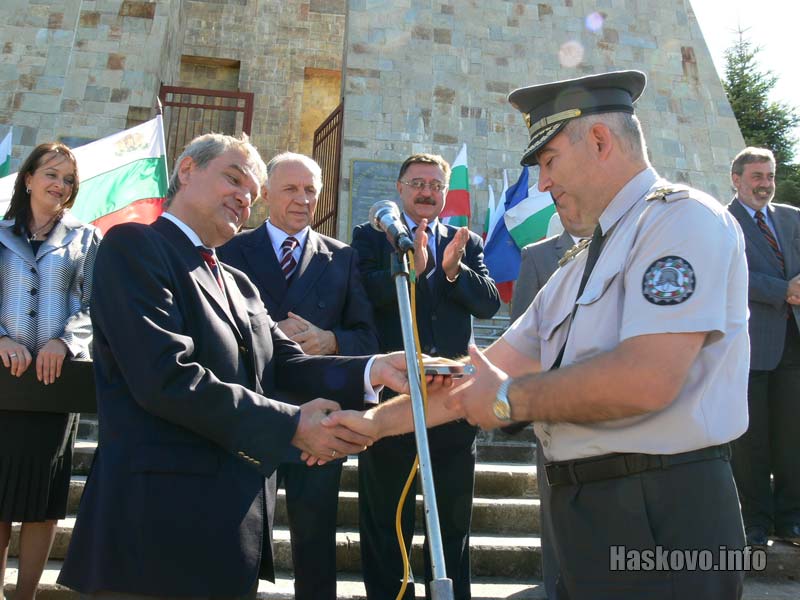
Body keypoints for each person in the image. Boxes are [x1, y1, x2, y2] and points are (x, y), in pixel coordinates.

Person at [329, 70, 750, 600]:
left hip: (664, 507)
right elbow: (482, 374)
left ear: (600, 141)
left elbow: (647, 378)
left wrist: (507, 400)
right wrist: (371, 425)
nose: (544, 184)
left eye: (549, 161)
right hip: (584, 510)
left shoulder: (680, 221)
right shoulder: (580, 262)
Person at [56, 133, 407, 599]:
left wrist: (374, 369)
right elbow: (166, 378)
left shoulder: (239, 283)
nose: (244, 197)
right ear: (187, 170)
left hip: (229, 533)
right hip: (152, 532)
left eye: (252, 192)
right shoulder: (135, 246)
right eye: (234, 179)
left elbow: (286, 364)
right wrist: (292, 425)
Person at [218, 152, 379, 600]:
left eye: (310, 190)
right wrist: (269, 334)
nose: (302, 199)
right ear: (266, 194)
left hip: (320, 418)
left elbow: (368, 337)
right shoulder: (231, 251)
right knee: (238, 538)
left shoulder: (342, 258)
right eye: (291, 189)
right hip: (252, 414)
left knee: (316, 540)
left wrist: (331, 340)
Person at [351, 153, 500, 600]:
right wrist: (409, 271)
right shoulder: (371, 237)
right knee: (387, 518)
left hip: (453, 403)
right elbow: (360, 297)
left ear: (445, 194)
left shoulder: (466, 241)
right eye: (417, 183)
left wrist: (454, 271)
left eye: (436, 185)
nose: (427, 192)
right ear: (400, 189)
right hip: (394, 401)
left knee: (453, 521)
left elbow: (489, 303)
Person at [0, 142, 102, 600]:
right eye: (51, 174)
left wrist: (66, 341)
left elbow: (94, 303)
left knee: (42, 504)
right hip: (3, 384)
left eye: (68, 179)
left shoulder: (87, 238)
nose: (60, 185)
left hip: (55, 385)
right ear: (28, 179)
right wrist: (1, 339)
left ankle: (25, 595)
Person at [508, 199, 594, 600]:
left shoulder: (621, 246)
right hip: (555, 406)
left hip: (610, 400)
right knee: (556, 503)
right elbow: (521, 334)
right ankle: (555, 587)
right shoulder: (538, 256)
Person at [727, 147, 800, 547]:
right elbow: (731, 273)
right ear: (736, 179)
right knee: (751, 441)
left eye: (770, 176)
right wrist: (783, 290)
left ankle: (791, 520)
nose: (765, 184)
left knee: (792, 438)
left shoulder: (792, 218)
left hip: (792, 345)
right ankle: (756, 521)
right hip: (749, 347)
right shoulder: (723, 221)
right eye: (757, 176)